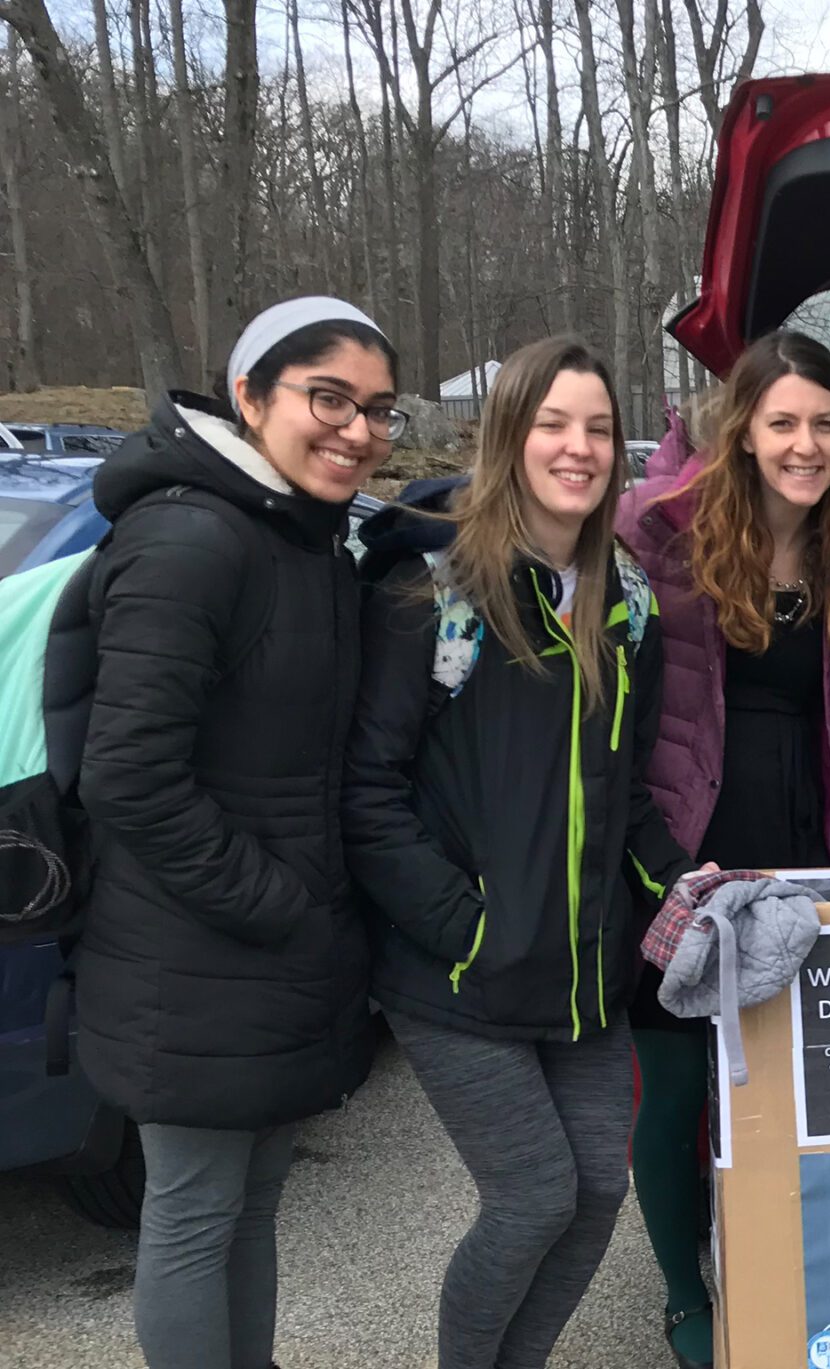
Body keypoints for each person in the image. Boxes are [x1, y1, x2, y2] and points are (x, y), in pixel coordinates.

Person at [345, 336, 697, 1369]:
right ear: (509, 435)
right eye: (552, 424)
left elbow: (625, 796)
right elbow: (366, 794)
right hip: (457, 968)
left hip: (581, 971)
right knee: (532, 1192)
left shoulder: (625, 603)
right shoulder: (436, 589)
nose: (577, 448)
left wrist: (686, 884)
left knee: (595, 1190)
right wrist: (469, 927)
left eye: (595, 427)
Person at [620, 329, 830, 1368]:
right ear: (741, 431)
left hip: (822, 863)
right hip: (686, 861)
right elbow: (610, 707)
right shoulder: (661, 541)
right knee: (678, 1090)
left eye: (824, 424)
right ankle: (687, 1295)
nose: (805, 444)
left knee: (796, 1087)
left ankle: (789, 1266)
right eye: (783, 422)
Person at [70, 297, 395, 1369]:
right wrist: (276, 904)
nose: (355, 430)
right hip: (196, 954)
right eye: (328, 398)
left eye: (377, 410)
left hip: (271, 954)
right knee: (199, 1208)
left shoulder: (299, 538)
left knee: (252, 1204)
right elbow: (127, 773)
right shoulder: (191, 538)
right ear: (250, 395)